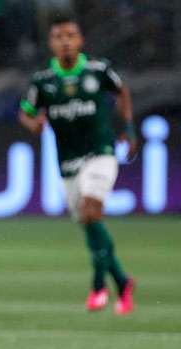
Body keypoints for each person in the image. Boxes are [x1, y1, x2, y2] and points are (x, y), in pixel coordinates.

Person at [19, 16, 137, 314]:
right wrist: (34, 124)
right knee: (88, 222)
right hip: (68, 161)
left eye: (71, 35)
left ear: (81, 40)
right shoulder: (43, 80)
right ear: (51, 44)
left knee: (90, 209)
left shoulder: (99, 70)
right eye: (59, 36)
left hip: (101, 152)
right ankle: (122, 283)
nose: (66, 41)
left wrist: (129, 128)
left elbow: (122, 91)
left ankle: (98, 286)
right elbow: (26, 112)